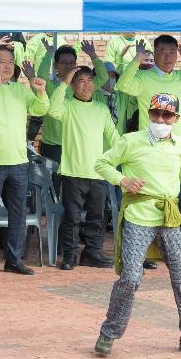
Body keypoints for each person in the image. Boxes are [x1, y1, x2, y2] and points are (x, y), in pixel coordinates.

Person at [92, 93, 181, 358]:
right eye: (155, 113)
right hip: (138, 217)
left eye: (166, 115)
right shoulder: (130, 141)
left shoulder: (179, 145)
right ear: (148, 114)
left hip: (168, 218)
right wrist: (123, 180)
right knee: (130, 278)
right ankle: (109, 332)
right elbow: (102, 163)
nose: (160, 119)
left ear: (176, 119)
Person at [115, 35, 181, 238]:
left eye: (172, 51)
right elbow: (123, 85)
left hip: (177, 148)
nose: (168, 56)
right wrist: (136, 59)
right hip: (149, 148)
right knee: (149, 200)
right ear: (154, 53)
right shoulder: (144, 78)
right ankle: (148, 249)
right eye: (162, 51)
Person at [0, 46, 50, 278]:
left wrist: (41, 92)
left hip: (18, 161)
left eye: (10, 62)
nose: (6, 66)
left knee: (18, 213)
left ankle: (14, 259)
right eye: (1, 61)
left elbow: (40, 108)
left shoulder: (20, 90)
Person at [48, 65, 119, 270]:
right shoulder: (67, 106)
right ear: (72, 85)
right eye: (80, 80)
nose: (87, 85)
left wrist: (131, 153)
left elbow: (113, 137)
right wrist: (63, 83)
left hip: (97, 172)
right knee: (72, 218)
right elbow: (52, 110)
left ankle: (92, 253)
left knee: (97, 218)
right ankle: (70, 255)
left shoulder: (101, 108)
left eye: (90, 80)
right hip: (72, 173)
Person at [36, 40, 108, 163]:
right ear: (56, 66)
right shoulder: (51, 85)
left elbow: (103, 77)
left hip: (77, 144)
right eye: (63, 63)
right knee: (55, 181)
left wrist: (93, 55)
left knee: (75, 181)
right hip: (54, 146)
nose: (68, 66)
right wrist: (48, 54)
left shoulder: (81, 85)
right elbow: (41, 76)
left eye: (71, 62)